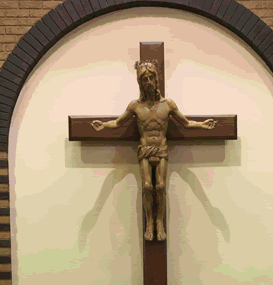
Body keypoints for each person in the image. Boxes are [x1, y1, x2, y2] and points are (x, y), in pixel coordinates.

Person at [91, 61, 216, 241]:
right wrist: (103, 125)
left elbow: (186, 123)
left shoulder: (168, 104)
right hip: (145, 149)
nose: (149, 82)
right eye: (144, 79)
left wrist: (203, 125)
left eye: (151, 78)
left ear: (156, 80)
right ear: (140, 83)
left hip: (161, 148)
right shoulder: (136, 106)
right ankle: (149, 222)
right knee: (147, 186)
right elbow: (118, 123)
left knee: (161, 186)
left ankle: (159, 221)